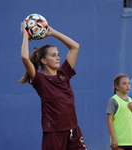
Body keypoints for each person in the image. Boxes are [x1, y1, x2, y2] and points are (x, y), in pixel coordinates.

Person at [19, 22, 87, 150]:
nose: (58, 58)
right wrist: (25, 35)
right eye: (53, 55)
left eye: (58, 55)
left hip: (73, 130)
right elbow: (24, 57)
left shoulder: (64, 74)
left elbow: (75, 47)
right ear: (43, 61)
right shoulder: (40, 80)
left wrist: (52, 32)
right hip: (54, 132)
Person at [107, 74, 132, 150]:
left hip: (131, 141)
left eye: (129, 83)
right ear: (117, 87)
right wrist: (113, 138)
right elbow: (109, 120)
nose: (127, 86)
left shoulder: (130, 100)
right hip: (119, 141)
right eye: (124, 84)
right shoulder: (113, 100)